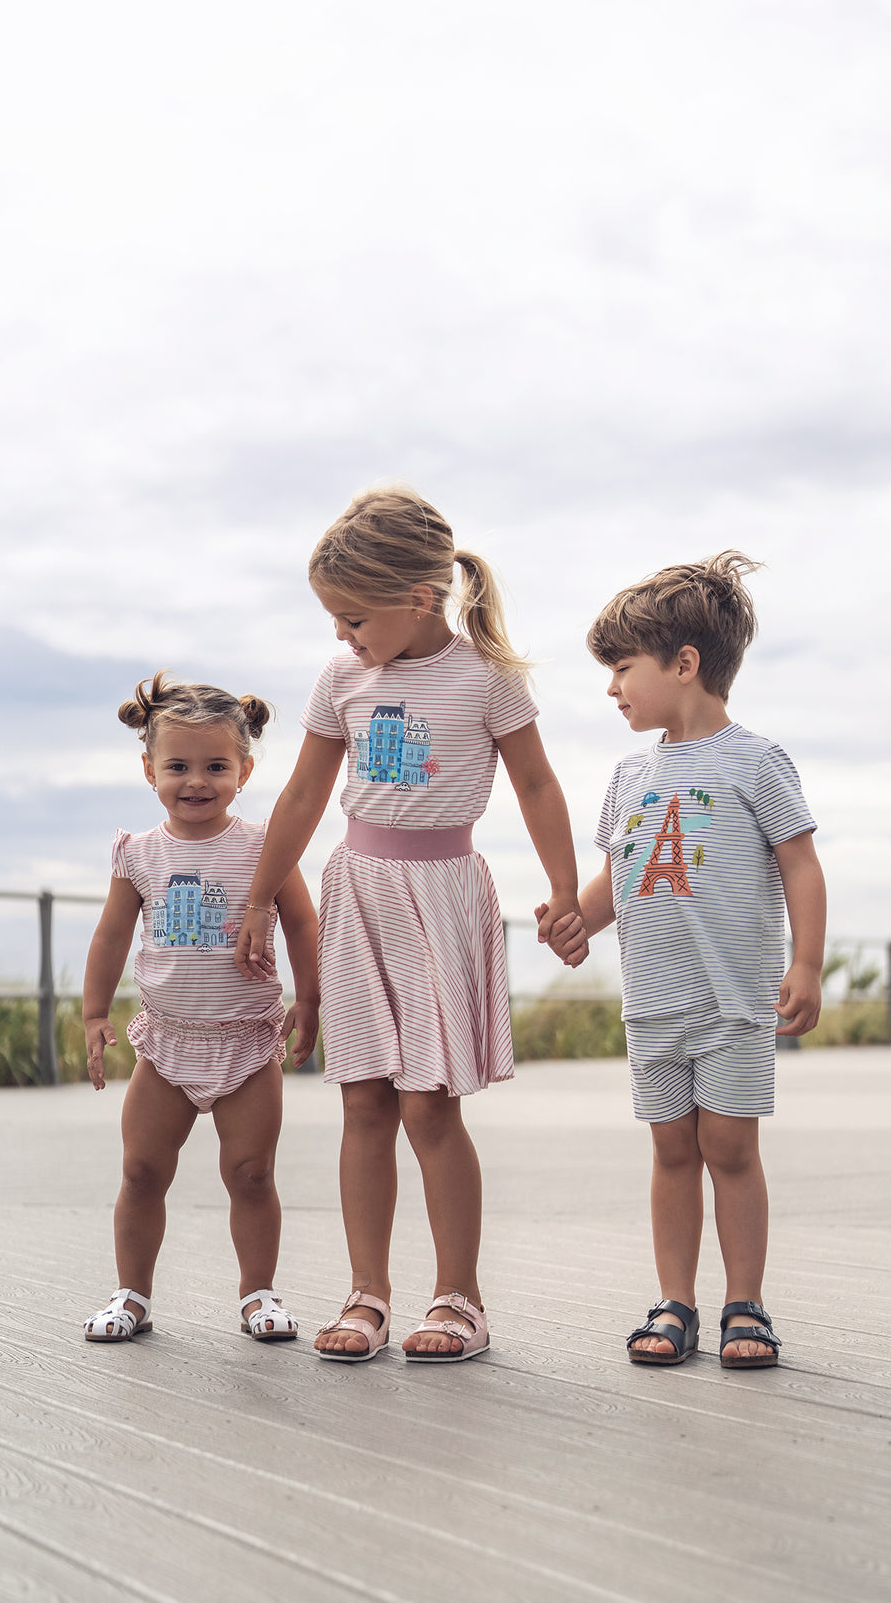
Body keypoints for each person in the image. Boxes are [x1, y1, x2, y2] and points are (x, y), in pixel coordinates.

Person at [234, 485, 586, 1363]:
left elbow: (538, 784)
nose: (343, 636)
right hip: (359, 891)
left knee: (429, 1107)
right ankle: (367, 1294)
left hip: (442, 894)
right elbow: (306, 793)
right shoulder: (342, 679)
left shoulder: (486, 676)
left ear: (419, 598)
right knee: (364, 1101)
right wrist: (257, 896)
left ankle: (458, 1297)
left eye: (354, 617)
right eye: (334, 619)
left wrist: (565, 887)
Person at [544, 552, 825, 1369]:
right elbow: (617, 873)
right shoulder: (630, 774)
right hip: (654, 1005)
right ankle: (676, 1302)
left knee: (731, 1150)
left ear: (685, 664)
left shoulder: (757, 761)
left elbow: (800, 863)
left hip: (733, 1002)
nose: (612, 688)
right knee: (671, 1152)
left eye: (623, 668)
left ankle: (746, 1305)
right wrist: (577, 923)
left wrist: (805, 965)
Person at [82, 672, 318, 1345]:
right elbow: (111, 934)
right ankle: (132, 1293)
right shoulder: (139, 854)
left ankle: (258, 1292)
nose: (196, 781)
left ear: (244, 769)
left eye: (216, 766)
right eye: (177, 766)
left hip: (246, 1044)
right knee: (141, 1170)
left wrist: (311, 997)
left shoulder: (265, 847)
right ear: (149, 768)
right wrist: (96, 1012)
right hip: (166, 1043)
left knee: (251, 1173)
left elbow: (302, 924)